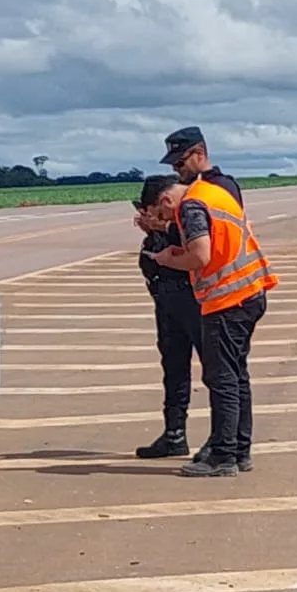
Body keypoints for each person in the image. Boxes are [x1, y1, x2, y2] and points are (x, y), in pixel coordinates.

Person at [142, 176, 278, 478]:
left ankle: (222, 455)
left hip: (228, 300)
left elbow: (200, 256)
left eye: (162, 215)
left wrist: (167, 259)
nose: (166, 221)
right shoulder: (212, 194)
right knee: (237, 377)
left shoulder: (191, 206)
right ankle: (240, 450)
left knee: (223, 380)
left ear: (164, 201)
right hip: (249, 292)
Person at [132, 174, 208, 461]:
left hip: (191, 299)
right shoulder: (165, 227)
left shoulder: (187, 216)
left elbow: (190, 251)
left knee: (214, 370)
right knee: (173, 368)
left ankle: (222, 438)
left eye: (150, 212)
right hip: (167, 301)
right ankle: (174, 433)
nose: (146, 217)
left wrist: (163, 228)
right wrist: (153, 232)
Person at [161, 126, 244, 206]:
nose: (174, 169)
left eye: (179, 163)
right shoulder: (186, 186)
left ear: (199, 154)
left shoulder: (221, 186)